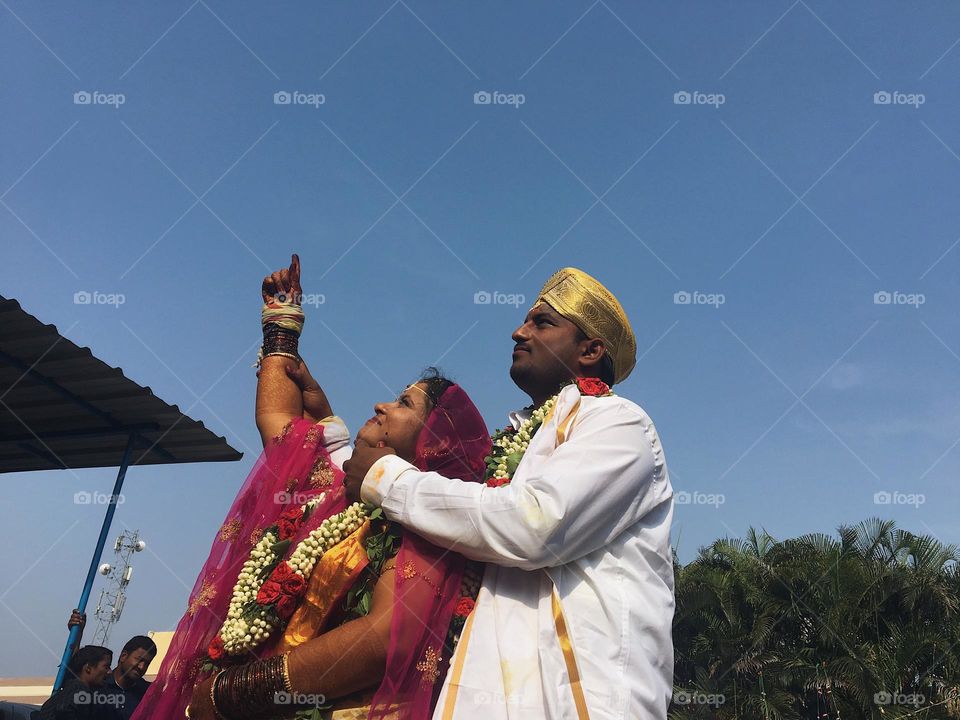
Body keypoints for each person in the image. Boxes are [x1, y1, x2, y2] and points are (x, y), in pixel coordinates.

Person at [132, 255, 491, 720]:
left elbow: (387, 636)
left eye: (404, 403)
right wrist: (282, 323)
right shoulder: (335, 488)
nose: (381, 403)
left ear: (433, 441)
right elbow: (279, 422)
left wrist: (235, 694)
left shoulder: (424, 520)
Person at [345, 267, 675, 719]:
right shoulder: (520, 438)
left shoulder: (619, 423)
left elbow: (532, 524)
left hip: (578, 699)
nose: (519, 331)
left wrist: (388, 481)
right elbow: (466, 507)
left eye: (542, 323)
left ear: (591, 351)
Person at [64, 613, 156, 720]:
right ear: (124, 656)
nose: (142, 666)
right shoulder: (97, 683)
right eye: (139, 660)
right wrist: (77, 633)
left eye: (147, 663)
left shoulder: (149, 693)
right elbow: (77, 669)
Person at [38, 645, 120, 719]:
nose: (109, 672)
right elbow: (64, 710)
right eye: (106, 667)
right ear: (88, 668)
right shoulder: (79, 689)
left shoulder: (75, 690)